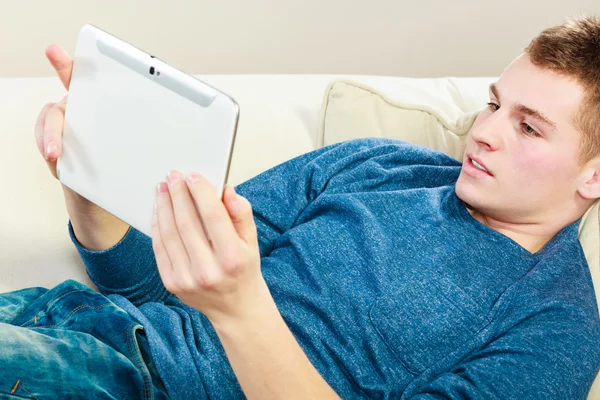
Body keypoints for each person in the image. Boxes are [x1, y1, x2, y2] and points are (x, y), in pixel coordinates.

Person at [2, 15, 600, 400]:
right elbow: (151, 289)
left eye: (529, 127)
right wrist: (83, 178)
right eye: (494, 104)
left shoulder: (556, 331)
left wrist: (241, 309)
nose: (485, 132)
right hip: (75, 317)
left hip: (143, 385)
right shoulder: (377, 164)